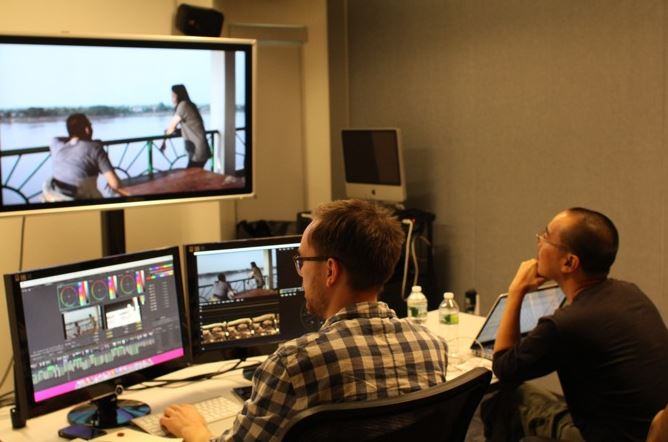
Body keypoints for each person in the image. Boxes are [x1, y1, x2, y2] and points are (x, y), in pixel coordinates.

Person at [160, 199, 449, 442]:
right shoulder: (432, 346)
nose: (300, 275)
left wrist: (193, 429)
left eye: (302, 262)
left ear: (330, 271)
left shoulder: (293, 363)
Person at [485, 208, 668, 442]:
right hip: (647, 429)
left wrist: (516, 291)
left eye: (546, 237)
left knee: (506, 399)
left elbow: (504, 368)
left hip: (611, 435)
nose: (539, 242)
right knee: (523, 396)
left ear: (569, 262)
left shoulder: (566, 324)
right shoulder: (630, 293)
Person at [44, 113, 124, 200]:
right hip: (81, 200)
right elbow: (115, 185)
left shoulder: (55, 143)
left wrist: (75, 139)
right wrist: (92, 143)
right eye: (90, 125)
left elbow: (58, 138)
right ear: (87, 129)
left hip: (56, 195)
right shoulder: (95, 148)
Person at [164, 84, 212, 168]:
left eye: (173, 96)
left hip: (197, 151)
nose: (172, 99)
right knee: (195, 178)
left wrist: (163, 142)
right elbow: (190, 126)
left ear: (179, 95)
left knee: (191, 178)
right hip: (201, 148)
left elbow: (171, 127)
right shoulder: (190, 104)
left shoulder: (183, 105)